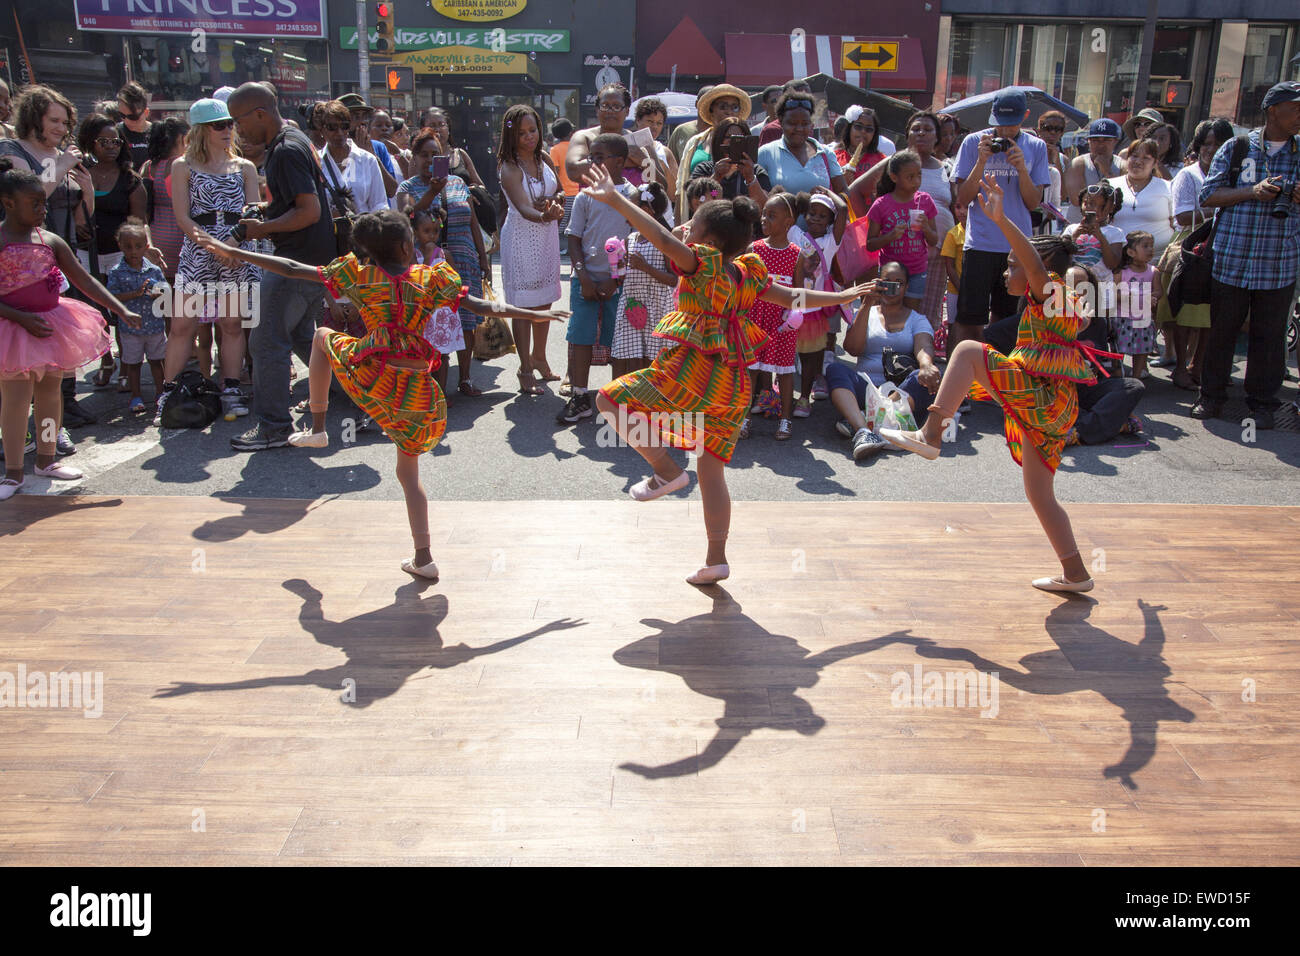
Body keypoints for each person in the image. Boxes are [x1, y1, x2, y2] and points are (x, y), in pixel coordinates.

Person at [196, 209, 567, 577]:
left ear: (368, 251)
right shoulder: (431, 278)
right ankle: (424, 556)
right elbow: (483, 305)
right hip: (416, 389)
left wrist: (235, 251)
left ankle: (319, 426)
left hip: (372, 375)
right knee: (409, 475)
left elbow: (292, 268)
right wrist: (532, 315)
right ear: (408, 246)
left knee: (323, 337)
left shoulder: (358, 276)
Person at [580, 163, 870, 584]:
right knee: (710, 469)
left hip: (692, 371)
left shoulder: (704, 264)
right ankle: (716, 558)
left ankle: (663, 469)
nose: (685, 228)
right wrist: (843, 293)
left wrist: (615, 199)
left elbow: (658, 236)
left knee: (608, 400)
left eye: (692, 224)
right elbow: (794, 295)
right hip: (733, 384)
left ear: (709, 240)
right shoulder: (746, 271)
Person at [880, 176, 1101, 593]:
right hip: (1052, 405)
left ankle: (931, 433)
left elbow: (1033, 264)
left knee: (966, 350)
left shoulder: (1050, 293)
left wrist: (1001, 221)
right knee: (1041, 495)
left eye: (1011, 265)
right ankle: (1076, 572)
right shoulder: (1063, 304)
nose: (1006, 273)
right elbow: (1030, 266)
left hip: (1043, 396)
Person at [0, 157, 130, 500]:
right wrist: (21, 317)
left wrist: (118, 307)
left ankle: (47, 459)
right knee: (15, 400)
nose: (43, 209)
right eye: (35, 203)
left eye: (44, 202)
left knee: (49, 394)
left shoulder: (51, 240)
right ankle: (13, 472)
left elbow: (84, 280)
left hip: (51, 325)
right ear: (8, 203)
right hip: (12, 329)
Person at [225, 82, 337, 450]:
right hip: (312, 259)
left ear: (259, 114)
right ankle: (353, 395)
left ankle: (273, 427)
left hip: (294, 261)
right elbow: (300, 203)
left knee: (266, 341)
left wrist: (263, 226)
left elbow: (309, 211)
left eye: (238, 121)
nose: (236, 129)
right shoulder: (295, 139)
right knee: (304, 337)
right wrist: (268, 212)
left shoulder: (286, 150)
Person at [1192, 81, 1300, 428]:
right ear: (1273, 111)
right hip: (1233, 258)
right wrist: (1252, 191)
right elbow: (1208, 196)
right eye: (1295, 108)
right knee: (1222, 331)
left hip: (1279, 262)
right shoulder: (1237, 147)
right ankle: (1211, 397)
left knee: (1269, 338)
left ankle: (1263, 404)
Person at [0, 85, 97, 429]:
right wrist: (62, 164)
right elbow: (33, 195)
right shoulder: (11, 151)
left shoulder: (61, 155)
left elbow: (82, 216)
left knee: (60, 344)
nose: (61, 128)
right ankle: (21, 427)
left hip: (59, 254)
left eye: (66, 122)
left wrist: (86, 190)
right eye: (54, 120)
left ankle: (61, 416)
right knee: (22, 356)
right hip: (21, 264)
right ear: (32, 118)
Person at [159, 98, 260, 423]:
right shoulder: (182, 166)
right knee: (182, 325)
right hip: (198, 249)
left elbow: (253, 213)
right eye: (220, 124)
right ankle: (169, 394)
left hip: (237, 250)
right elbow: (182, 218)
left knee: (231, 325)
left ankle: (230, 389)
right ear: (202, 130)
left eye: (230, 123)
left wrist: (234, 245)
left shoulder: (245, 167)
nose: (228, 129)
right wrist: (215, 246)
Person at [950, 89, 1051, 349]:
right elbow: (962, 197)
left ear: (1025, 116)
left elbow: (1033, 203)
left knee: (1007, 316)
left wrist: (1021, 168)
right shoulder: (973, 142)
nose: (1004, 132)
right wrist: (981, 161)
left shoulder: (1036, 146)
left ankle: (999, 372)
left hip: (1017, 247)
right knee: (969, 316)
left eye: (1012, 124)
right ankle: (965, 374)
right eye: (1000, 125)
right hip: (980, 243)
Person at [397, 128, 491, 397]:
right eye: (424, 155)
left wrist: (483, 259)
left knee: (467, 320)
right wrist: (431, 193)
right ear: (413, 157)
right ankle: (435, 386)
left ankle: (465, 379)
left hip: (464, 260)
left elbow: (473, 222)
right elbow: (406, 216)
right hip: (427, 266)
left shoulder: (458, 183)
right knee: (433, 323)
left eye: (435, 155)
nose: (429, 160)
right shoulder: (408, 187)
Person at [556, 133, 636, 425]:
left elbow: (635, 240)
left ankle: (616, 401)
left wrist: (616, 280)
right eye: (592, 157)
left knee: (619, 340)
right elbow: (574, 240)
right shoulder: (584, 196)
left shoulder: (633, 196)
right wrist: (583, 276)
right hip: (586, 279)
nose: (594, 163)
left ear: (620, 162)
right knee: (580, 336)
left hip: (622, 282)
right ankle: (579, 396)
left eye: (601, 158)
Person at [827, 260, 939, 460]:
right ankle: (865, 431)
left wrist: (926, 364)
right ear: (878, 283)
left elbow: (924, 346)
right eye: (887, 282)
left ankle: (870, 419)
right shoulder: (866, 312)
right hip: (867, 388)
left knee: (922, 377)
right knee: (835, 369)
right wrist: (867, 302)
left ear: (906, 287)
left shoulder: (917, 319)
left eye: (899, 283)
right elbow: (852, 349)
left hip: (900, 393)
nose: (892, 288)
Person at [1156, 118, 1233, 389]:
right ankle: (1179, 367)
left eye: (1218, 144)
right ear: (1198, 146)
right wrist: (1219, 206)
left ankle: (1198, 366)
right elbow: (1181, 216)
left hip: (1224, 246)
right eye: (1206, 144)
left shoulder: (1235, 174)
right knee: (1185, 310)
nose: (1211, 150)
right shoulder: (1188, 175)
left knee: (1212, 313)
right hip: (1190, 248)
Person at [497, 104, 564, 393]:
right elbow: (523, 208)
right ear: (511, 136)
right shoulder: (509, 167)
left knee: (544, 302)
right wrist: (544, 215)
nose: (529, 137)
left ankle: (540, 357)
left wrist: (554, 200)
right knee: (522, 306)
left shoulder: (544, 157)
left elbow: (560, 188)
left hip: (546, 238)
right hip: (522, 239)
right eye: (522, 133)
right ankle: (525, 368)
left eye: (533, 130)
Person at [743, 190, 805, 440]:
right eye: (763, 214)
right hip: (755, 319)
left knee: (786, 371)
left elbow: (799, 292)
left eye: (772, 215)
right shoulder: (754, 249)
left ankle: (785, 420)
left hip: (783, 323)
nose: (764, 219)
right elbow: (744, 286)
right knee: (751, 371)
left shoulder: (796, 254)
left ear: (788, 223)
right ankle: (743, 419)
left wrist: (796, 315)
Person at [611, 183, 676, 379]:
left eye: (630, 207)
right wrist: (619, 268)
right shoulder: (630, 239)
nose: (626, 211)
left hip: (656, 306)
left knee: (652, 356)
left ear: (646, 210)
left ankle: (649, 401)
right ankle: (624, 401)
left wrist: (646, 267)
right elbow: (625, 276)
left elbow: (674, 279)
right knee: (627, 353)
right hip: (632, 304)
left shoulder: (664, 239)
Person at [792, 190, 848, 415]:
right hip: (792, 304)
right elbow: (787, 209)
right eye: (812, 213)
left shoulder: (830, 242)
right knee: (784, 352)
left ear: (830, 222)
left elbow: (842, 209)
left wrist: (827, 193)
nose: (815, 218)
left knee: (812, 356)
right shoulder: (795, 234)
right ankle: (779, 393)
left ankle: (805, 397)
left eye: (822, 216)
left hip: (814, 308)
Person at [105, 218, 167, 414]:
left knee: (157, 361)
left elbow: (164, 289)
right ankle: (136, 396)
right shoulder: (116, 272)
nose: (133, 251)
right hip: (130, 328)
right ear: (120, 246)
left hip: (155, 326)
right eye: (128, 246)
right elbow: (111, 297)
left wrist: (159, 293)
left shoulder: (154, 269)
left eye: (138, 246)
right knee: (133, 364)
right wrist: (135, 294)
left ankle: (160, 394)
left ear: (146, 247)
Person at [866, 150, 939, 313]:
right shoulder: (881, 205)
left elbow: (934, 240)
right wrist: (891, 236)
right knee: (888, 311)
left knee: (911, 313)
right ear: (894, 177)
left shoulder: (925, 201)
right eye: (910, 177)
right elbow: (870, 244)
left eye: (919, 175)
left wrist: (926, 227)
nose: (916, 181)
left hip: (917, 271)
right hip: (890, 272)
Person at [673, 85, 753, 220]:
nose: (729, 112)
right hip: (699, 214)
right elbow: (681, 190)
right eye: (723, 107)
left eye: (734, 107)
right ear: (711, 111)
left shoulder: (746, 143)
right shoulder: (695, 143)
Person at [756, 91, 848, 198]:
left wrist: (826, 198)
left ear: (811, 124)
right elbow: (755, 195)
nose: (799, 129)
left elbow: (843, 190)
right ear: (781, 122)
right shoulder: (765, 153)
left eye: (805, 124)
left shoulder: (825, 153)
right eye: (792, 123)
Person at [566, 84, 650, 191]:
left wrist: (645, 162)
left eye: (617, 106)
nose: (610, 111)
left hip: (631, 206)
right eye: (605, 106)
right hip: (593, 205)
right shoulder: (584, 137)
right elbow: (573, 170)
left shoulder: (639, 140)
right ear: (597, 110)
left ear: (627, 111)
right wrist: (628, 160)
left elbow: (659, 182)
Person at [1105, 138, 1174, 263]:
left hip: (1158, 261)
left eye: (1146, 158)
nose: (1138, 161)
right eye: (1134, 156)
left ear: (1154, 163)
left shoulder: (1168, 187)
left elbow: (1176, 223)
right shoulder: (1109, 186)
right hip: (1116, 261)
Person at [317, 100, 388, 215]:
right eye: (332, 127)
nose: (339, 132)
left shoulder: (368, 160)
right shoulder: (315, 162)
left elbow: (379, 204)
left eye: (344, 126)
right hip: (328, 231)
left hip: (362, 230)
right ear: (322, 130)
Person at [684, 117, 769, 211]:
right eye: (728, 137)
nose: (732, 142)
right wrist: (716, 178)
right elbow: (698, 204)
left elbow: (764, 207)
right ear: (719, 140)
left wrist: (750, 179)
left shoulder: (756, 171)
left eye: (739, 138)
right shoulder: (704, 169)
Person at [1113, 231, 1160, 378]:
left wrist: (1152, 298)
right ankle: (1117, 373)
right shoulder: (1122, 272)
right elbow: (1113, 293)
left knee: (1142, 349)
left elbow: (1159, 291)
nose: (1150, 250)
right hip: (1123, 318)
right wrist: (1130, 297)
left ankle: (1137, 376)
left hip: (1143, 319)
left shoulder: (1153, 271)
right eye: (1145, 246)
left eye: (1151, 246)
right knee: (1118, 348)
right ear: (1131, 252)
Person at [335, 93, 398, 201]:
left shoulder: (379, 147)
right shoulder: (334, 149)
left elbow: (392, 190)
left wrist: (371, 156)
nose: (362, 121)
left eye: (364, 116)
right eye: (355, 117)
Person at [1063, 118, 1125, 225]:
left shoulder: (1123, 164)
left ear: (1115, 141)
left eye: (1106, 140)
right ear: (1088, 141)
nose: (1101, 145)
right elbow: (1076, 200)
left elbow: (1122, 198)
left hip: (1111, 228)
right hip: (1079, 226)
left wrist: (1107, 172)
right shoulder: (1078, 164)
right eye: (1095, 140)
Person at [632, 97, 679, 200]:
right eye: (650, 121)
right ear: (638, 120)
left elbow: (674, 195)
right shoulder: (626, 146)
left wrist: (660, 166)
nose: (655, 127)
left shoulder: (665, 152)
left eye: (659, 123)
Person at [835, 106, 887, 182]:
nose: (863, 131)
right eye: (858, 127)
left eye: (869, 129)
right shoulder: (833, 157)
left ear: (874, 134)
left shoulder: (882, 161)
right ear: (849, 128)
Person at [550, 118, 580, 243]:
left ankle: (559, 247)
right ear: (570, 133)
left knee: (560, 223)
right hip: (578, 192)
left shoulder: (554, 150)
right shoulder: (577, 147)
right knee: (576, 224)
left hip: (564, 194)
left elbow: (554, 171)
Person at [757, 81, 813, 147]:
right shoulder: (771, 130)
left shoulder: (809, 128)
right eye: (798, 98)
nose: (799, 129)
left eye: (808, 98)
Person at [116, 82, 153, 173]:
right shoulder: (116, 132)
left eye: (133, 117)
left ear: (146, 112)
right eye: (122, 115)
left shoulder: (157, 132)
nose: (127, 121)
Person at [669, 85, 713, 161]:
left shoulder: (721, 133)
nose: (708, 107)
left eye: (713, 104)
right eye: (706, 102)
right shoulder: (681, 130)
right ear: (697, 104)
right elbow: (670, 162)